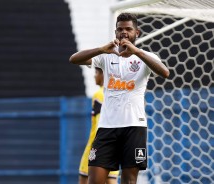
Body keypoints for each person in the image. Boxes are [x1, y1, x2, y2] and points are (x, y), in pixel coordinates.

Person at [69, 13, 169, 184]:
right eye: (120, 29)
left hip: (134, 127)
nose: (124, 33)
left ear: (137, 33)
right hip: (107, 128)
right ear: (115, 32)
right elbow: (74, 59)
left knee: (129, 180)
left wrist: (136, 51)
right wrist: (101, 49)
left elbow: (165, 72)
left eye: (128, 29)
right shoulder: (106, 56)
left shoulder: (144, 57)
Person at [79, 67, 119, 184]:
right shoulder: (115, 93)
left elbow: (100, 125)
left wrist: (98, 148)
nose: (94, 76)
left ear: (103, 75)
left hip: (96, 147)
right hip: (114, 146)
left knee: (84, 180)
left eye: (96, 72)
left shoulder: (99, 94)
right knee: (111, 180)